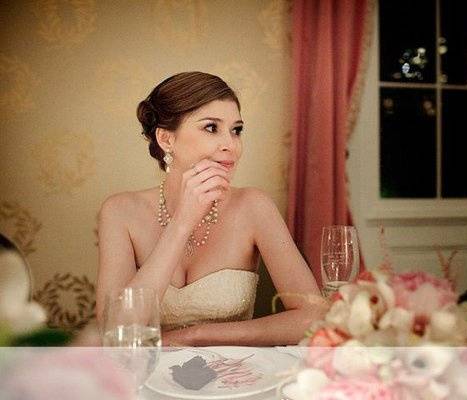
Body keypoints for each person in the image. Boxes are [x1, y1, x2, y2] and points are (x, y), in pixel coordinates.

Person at [95, 72, 325, 346]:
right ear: (166, 139)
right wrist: (182, 223)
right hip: (146, 377)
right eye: (211, 128)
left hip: (234, 378)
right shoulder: (120, 211)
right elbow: (115, 328)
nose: (231, 146)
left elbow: (315, 317)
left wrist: (196, 335)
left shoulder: (254, 206)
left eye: (236, 130)